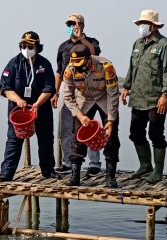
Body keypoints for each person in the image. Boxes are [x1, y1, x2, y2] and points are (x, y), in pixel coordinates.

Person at [121, 10, 167, 183]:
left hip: (155, 99)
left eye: (143, 24)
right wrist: (126, 86)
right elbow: (132, 67)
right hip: (137, 97)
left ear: (152, 26)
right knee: (135, 132)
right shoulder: (137, 43)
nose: (140, 27)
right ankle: (145, 165)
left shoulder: (164, 45)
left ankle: (158, 171)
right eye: (139, 24)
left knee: (156, 133)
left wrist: (166, 94)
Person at [0, 31, 56, 181]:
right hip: (19, 109)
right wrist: (18, 100)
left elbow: (49, 88)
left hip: (40, 108)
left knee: (46, 139)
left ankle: (48, 170)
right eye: (23, 45)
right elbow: (5, 87)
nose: (26, 48)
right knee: (13, 140)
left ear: (37, 47)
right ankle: (6, 173)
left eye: (30, 46)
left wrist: (37, 103)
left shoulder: (45, 64)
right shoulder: (13, 63)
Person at [51, 13, 102, 176]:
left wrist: (82, 38)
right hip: (68, 88)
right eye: (69, 24)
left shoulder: (91, 42)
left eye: (74, 24)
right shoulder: (63, 46)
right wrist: (55, 93)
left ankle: (94, 163)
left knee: (89, 125)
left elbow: (95, 56)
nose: (71, 27)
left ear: (82, 25)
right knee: (66, 128)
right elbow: (59, 71)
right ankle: (68, 162)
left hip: (87, 89)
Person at [63, 44, 120, 187]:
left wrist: (111, 119)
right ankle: (75, 176)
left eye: (81, 64)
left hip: (104, 99)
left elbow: (113, 94)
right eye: (75, 64)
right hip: (84, 100)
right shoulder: (70, 70)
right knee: (77, 135)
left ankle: (110, 177)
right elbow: (68, 97)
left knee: (111, 136)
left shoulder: (106, 66)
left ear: (89, 59)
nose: (78, 67)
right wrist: (80, 116)